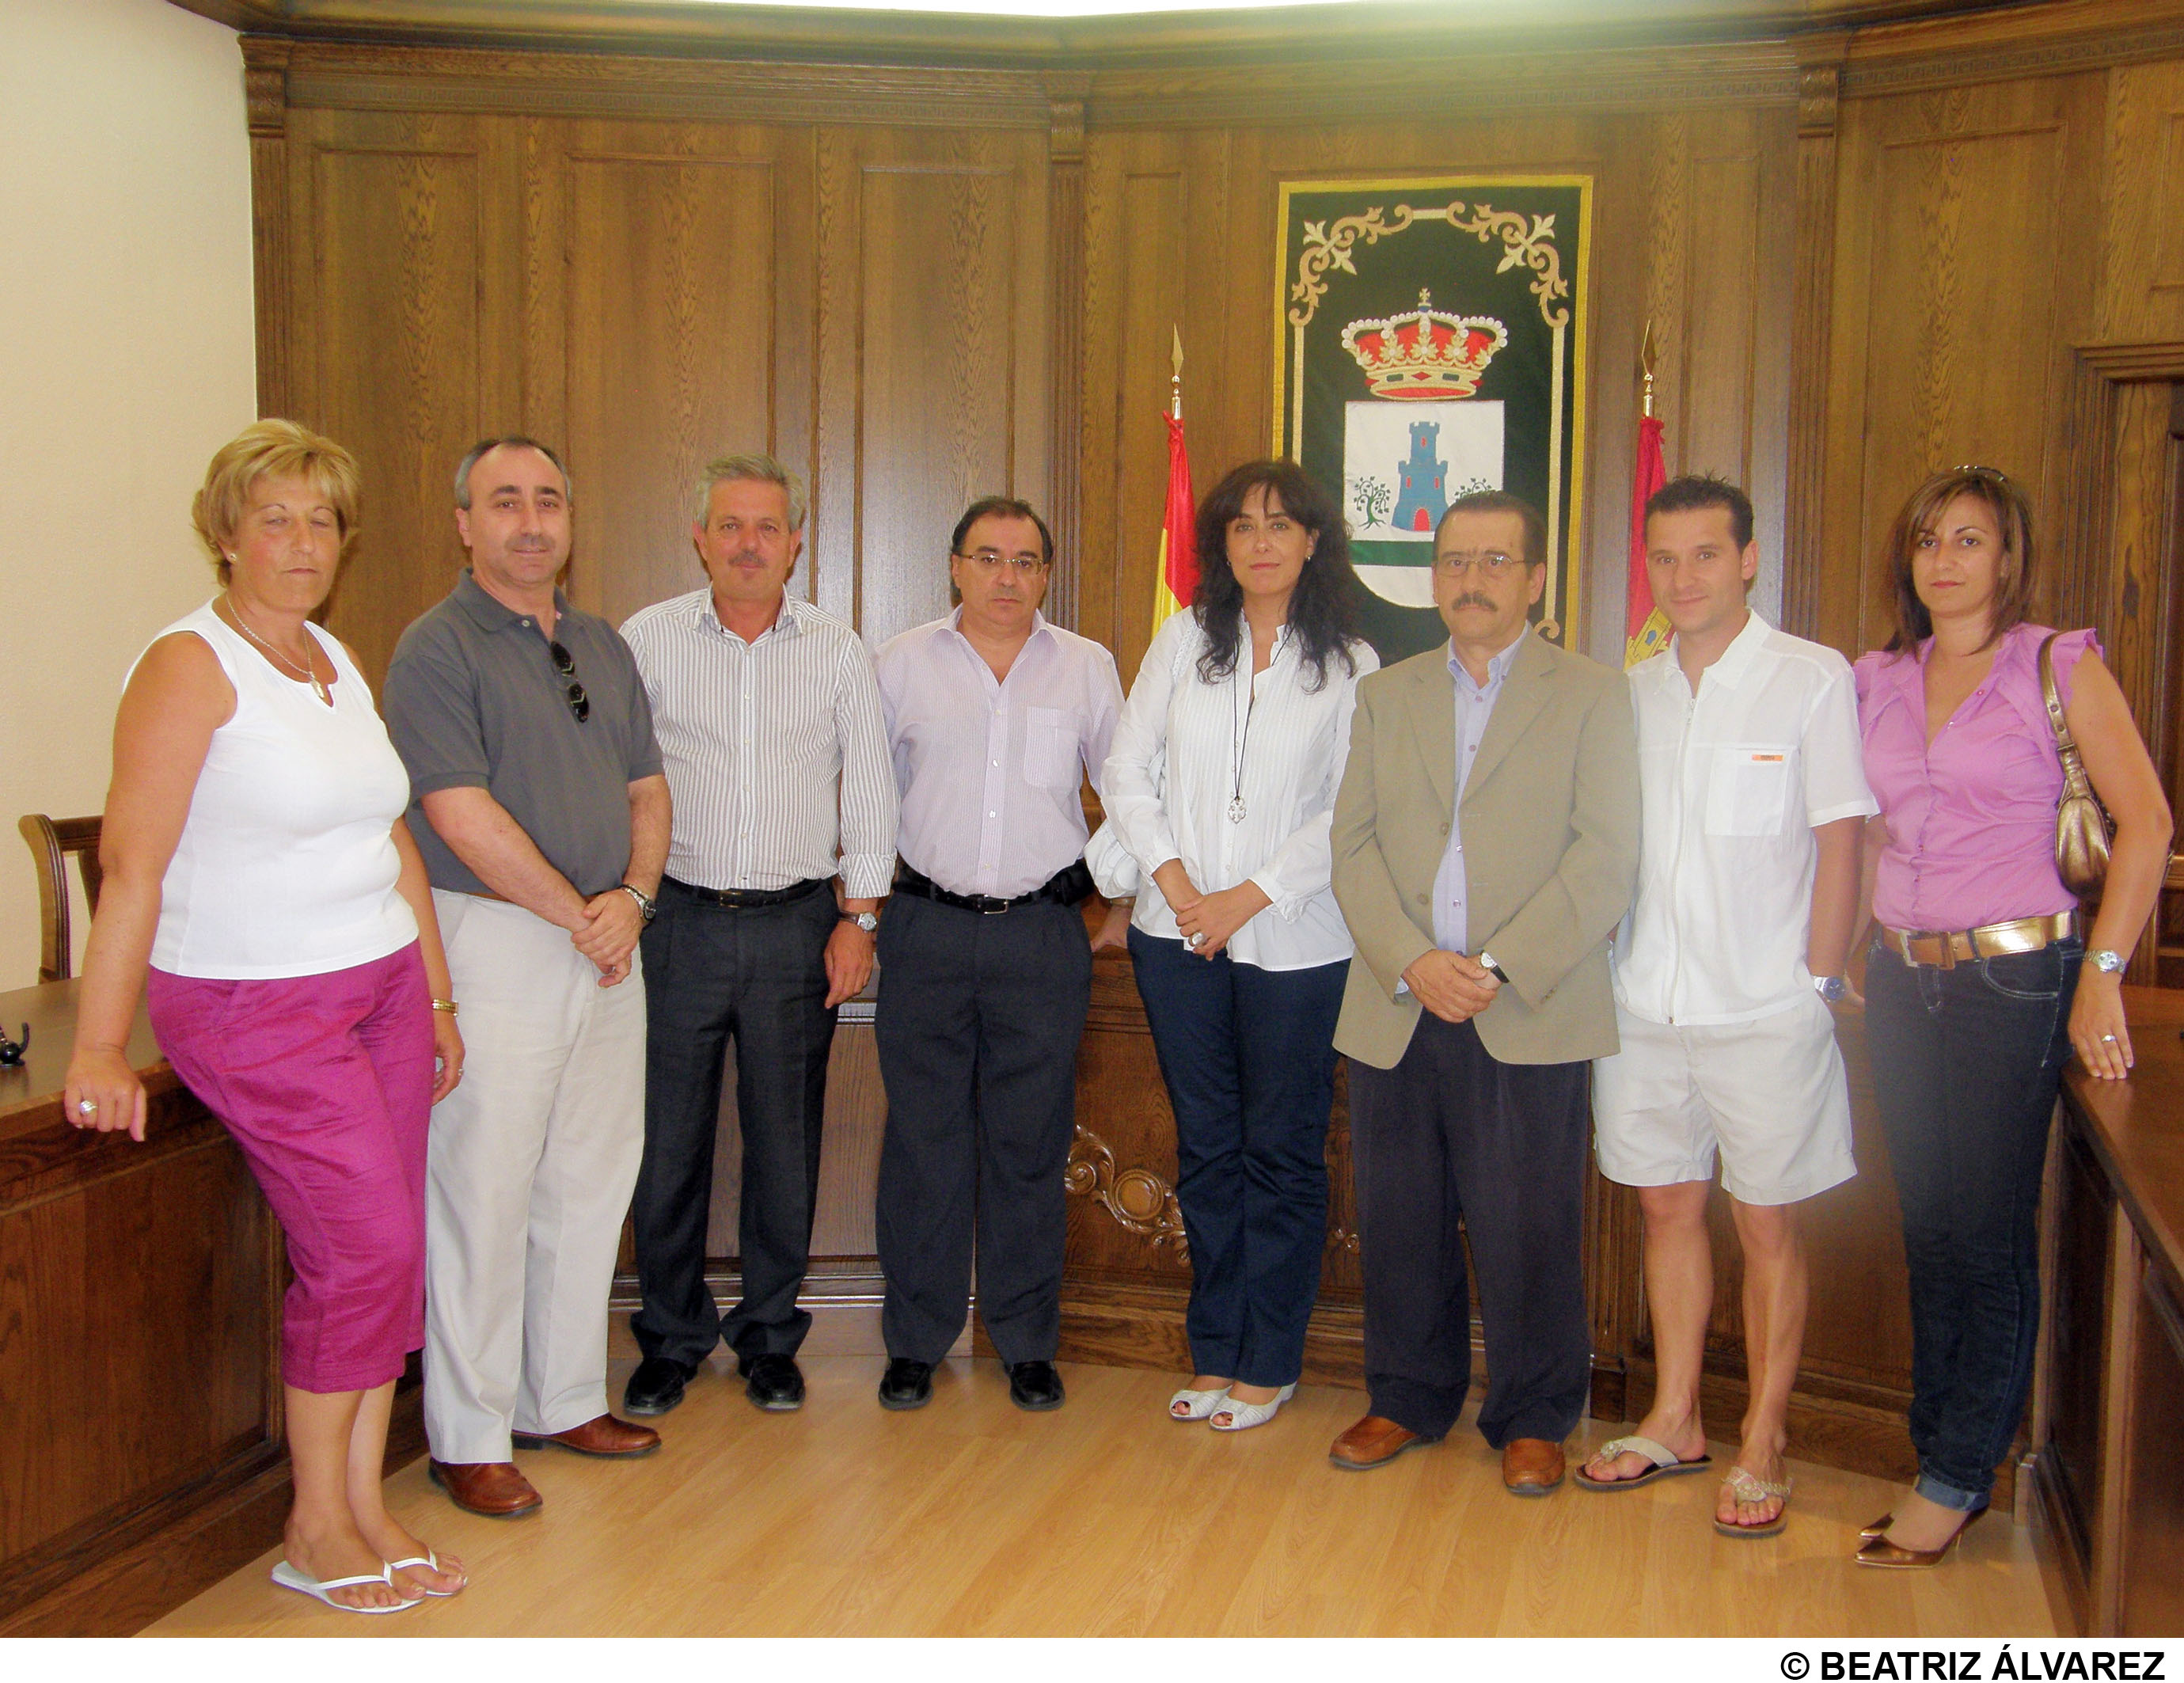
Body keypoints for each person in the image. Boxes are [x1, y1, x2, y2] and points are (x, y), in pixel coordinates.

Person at [64, 420, 468, 1612]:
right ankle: (312, 1519)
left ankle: (364, 1503)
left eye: (321, 520)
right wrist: (100, 1043)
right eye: (275, 519)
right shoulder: (189, 665)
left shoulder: (328, 656)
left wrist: (435, 991)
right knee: (364, 1250)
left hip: (380, 985)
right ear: (226, 535)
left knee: (390, 1254)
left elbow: (388, 835)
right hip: (254, 1000)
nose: (301, 542)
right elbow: (131, 866)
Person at [1850, 465, 2171, 1567]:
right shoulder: (1878, 677)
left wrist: (2102, 971)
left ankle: (1956, 1476)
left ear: (2005, 558)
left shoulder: (2054, 664)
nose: (1942, 559)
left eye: (1968, 539)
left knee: (1983, 1232)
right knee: (1926, 1226)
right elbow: (1856, 826)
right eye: (1926, 538)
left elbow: (2145, 823)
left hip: (2014, 976)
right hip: (1900, 980)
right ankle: (1935, 1450)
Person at [1576, 475, 1875, 1538]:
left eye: (1704, 554)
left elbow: (1841, 837)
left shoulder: (1808, 677)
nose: (1682, 577)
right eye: (1662, 557)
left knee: (1765, 1222)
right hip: (1643, 1006)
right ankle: (1674, 1417)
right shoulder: (1630, 691)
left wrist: (1817, 978)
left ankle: (1763, 1435)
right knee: (1664, 1208)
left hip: (1764, 1009)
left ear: (1747, 559)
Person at [382, 436, 672, 1519]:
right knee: (484, 1188)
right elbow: (456, 811)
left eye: (548, 499)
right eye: (504, 501)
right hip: (497, 938)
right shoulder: (435, 646)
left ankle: (563, 1398)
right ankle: (468, 1434)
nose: (531, 520)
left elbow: (648, 787)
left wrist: (631, 898)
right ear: (465, 522)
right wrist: (578, 912)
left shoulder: (598, 641)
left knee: (590, 1177)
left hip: (609, 938)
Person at [1327, 489, 1639, 1492]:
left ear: (1534, 578)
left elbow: (1605, 854)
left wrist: (1497, 966)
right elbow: (1350, 843)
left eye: (1495, 561)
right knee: (1399, 1214)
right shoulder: (1385, 694)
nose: (1471, 579)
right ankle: (1405, 1395)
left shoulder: (1592, 693)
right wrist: (1410, 957)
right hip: (1399, 997)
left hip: (1526, 1003)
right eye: (1455, 561)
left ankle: (1534, 1413)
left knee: (1529, 1221)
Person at [1095, 458, 1377, 1433]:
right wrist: (1179, 886)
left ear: (1311, 540)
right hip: (1172, 933)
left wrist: (1244, 898)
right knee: (1208, 1147)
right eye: (1242, 525)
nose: (1261, 541)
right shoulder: (1183, 640)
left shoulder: (1349, 662)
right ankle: (1215, 1343)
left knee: (1283, 1152)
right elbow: (1124, 768)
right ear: (1219, 544)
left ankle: (1271, 1356)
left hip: (1294, 941)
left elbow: (1349, 807)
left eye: (1279, 523)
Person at [618, 454, 897, 1417]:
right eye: (729, 525)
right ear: (699, 537)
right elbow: (618, 780)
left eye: (767, 527)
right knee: (667, 1146)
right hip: (676, 923)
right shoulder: (647, 639)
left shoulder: (836, 649)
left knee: (785, 1145)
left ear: (795, 542)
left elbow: (870, 789)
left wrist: (859, 917)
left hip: (796, 927)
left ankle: (771, 1336)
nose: (747, 544)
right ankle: (669, 1336)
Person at [868, 496, 1122, 1412]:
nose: (1005, 577)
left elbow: (1130, 792)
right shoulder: (899, 663)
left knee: (1029, 1146)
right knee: (922, 1145)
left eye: (1023, 560)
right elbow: (866, 799)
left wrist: (1112, 902)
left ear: (1046, 573)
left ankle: (1024, 1342)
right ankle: (915, 1341)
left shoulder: (1085, 667)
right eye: (987, 557)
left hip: (1041, 935)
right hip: (925, 926)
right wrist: (860, 912)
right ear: (954, 566)